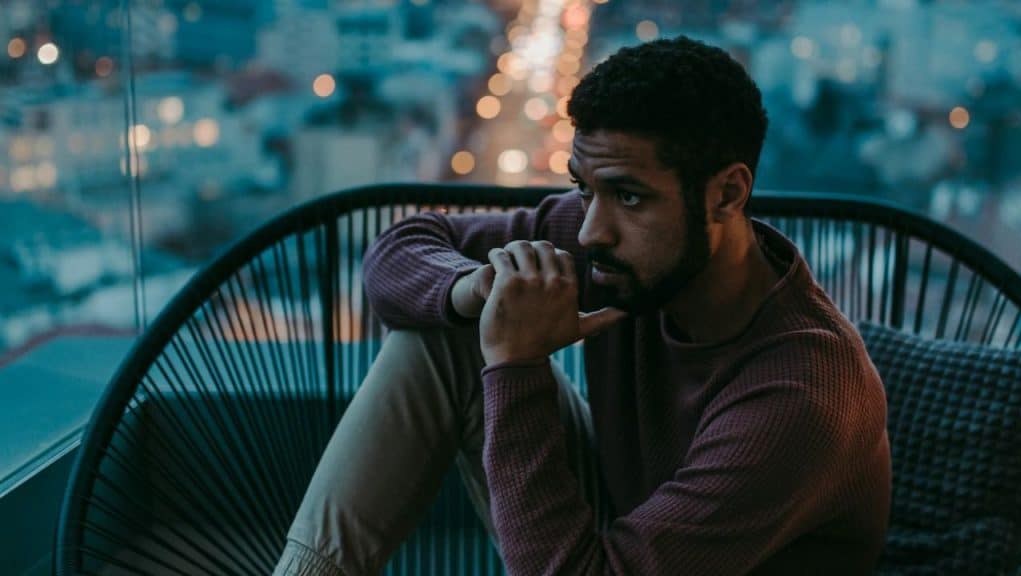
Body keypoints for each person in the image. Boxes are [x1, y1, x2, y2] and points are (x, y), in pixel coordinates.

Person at [274, 35, 891, 576]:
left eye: (628, 196)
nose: (593, 229)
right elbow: (401, 247)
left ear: (727, 194)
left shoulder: (800, 396)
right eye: (583, 188)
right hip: (624, 535)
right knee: (447, 328)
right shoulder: (631, 249)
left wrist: (515, 366)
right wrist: (479, 293)